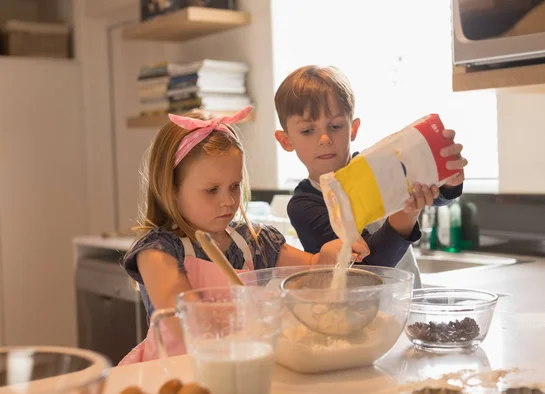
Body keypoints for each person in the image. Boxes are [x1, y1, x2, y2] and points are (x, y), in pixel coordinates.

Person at [119, 106, 369, 364]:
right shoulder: (159, 252)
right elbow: (186, 320)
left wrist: (329, 256)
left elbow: (310, 273)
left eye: (234, 186)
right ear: (171, 189)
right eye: (211, 189)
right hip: (176, 378)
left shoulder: (254, 241)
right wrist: (261, 313)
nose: (228, 200)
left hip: (241, 369)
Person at [274, 65, 467, 288]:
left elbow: (430, 195)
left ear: (353, 128)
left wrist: (447, 182)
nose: (325, 138)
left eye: (335, 126)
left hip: (406, 304)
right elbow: (368, 268)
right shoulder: (304, 206)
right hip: (350, 315)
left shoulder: (375, 168)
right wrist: (407, 214)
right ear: (286, 140)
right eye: (308, 130)